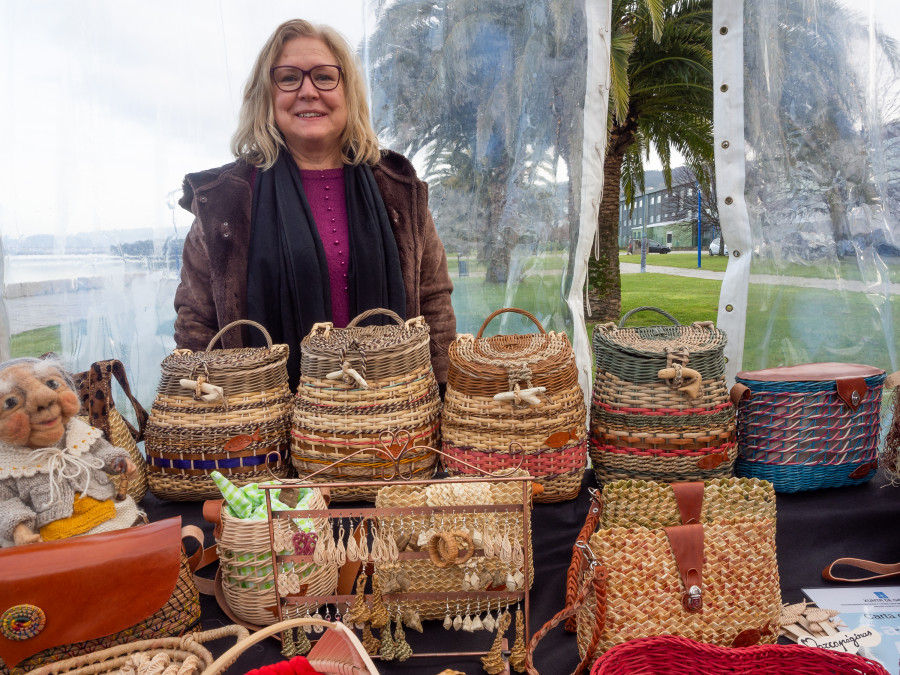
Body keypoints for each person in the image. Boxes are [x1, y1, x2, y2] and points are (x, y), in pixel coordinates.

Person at [174, 19, 456, 390]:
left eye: (324, 77)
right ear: (266, 94)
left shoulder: (398, 190)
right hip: (270, 430)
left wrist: (445, 399)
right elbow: (197, 323)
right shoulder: (224, 202)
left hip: (392, 424)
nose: (308, 91)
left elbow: (433, 304)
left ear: (348, 91)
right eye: (289, 78)